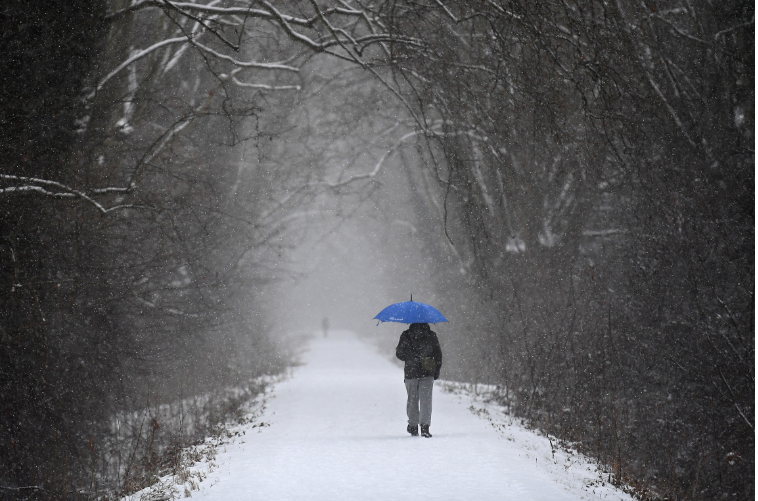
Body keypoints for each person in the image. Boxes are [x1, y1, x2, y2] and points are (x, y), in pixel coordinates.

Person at [395, 323, 442, 438]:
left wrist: (410, 356)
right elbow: (438, 354)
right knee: (426, 400)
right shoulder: (431, 335)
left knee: (412, 400)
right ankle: (425, 427)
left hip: (411, 373)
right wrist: (436, 371)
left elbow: (399, 354)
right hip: (427, 371)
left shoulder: (406, 335)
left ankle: (413, 426)